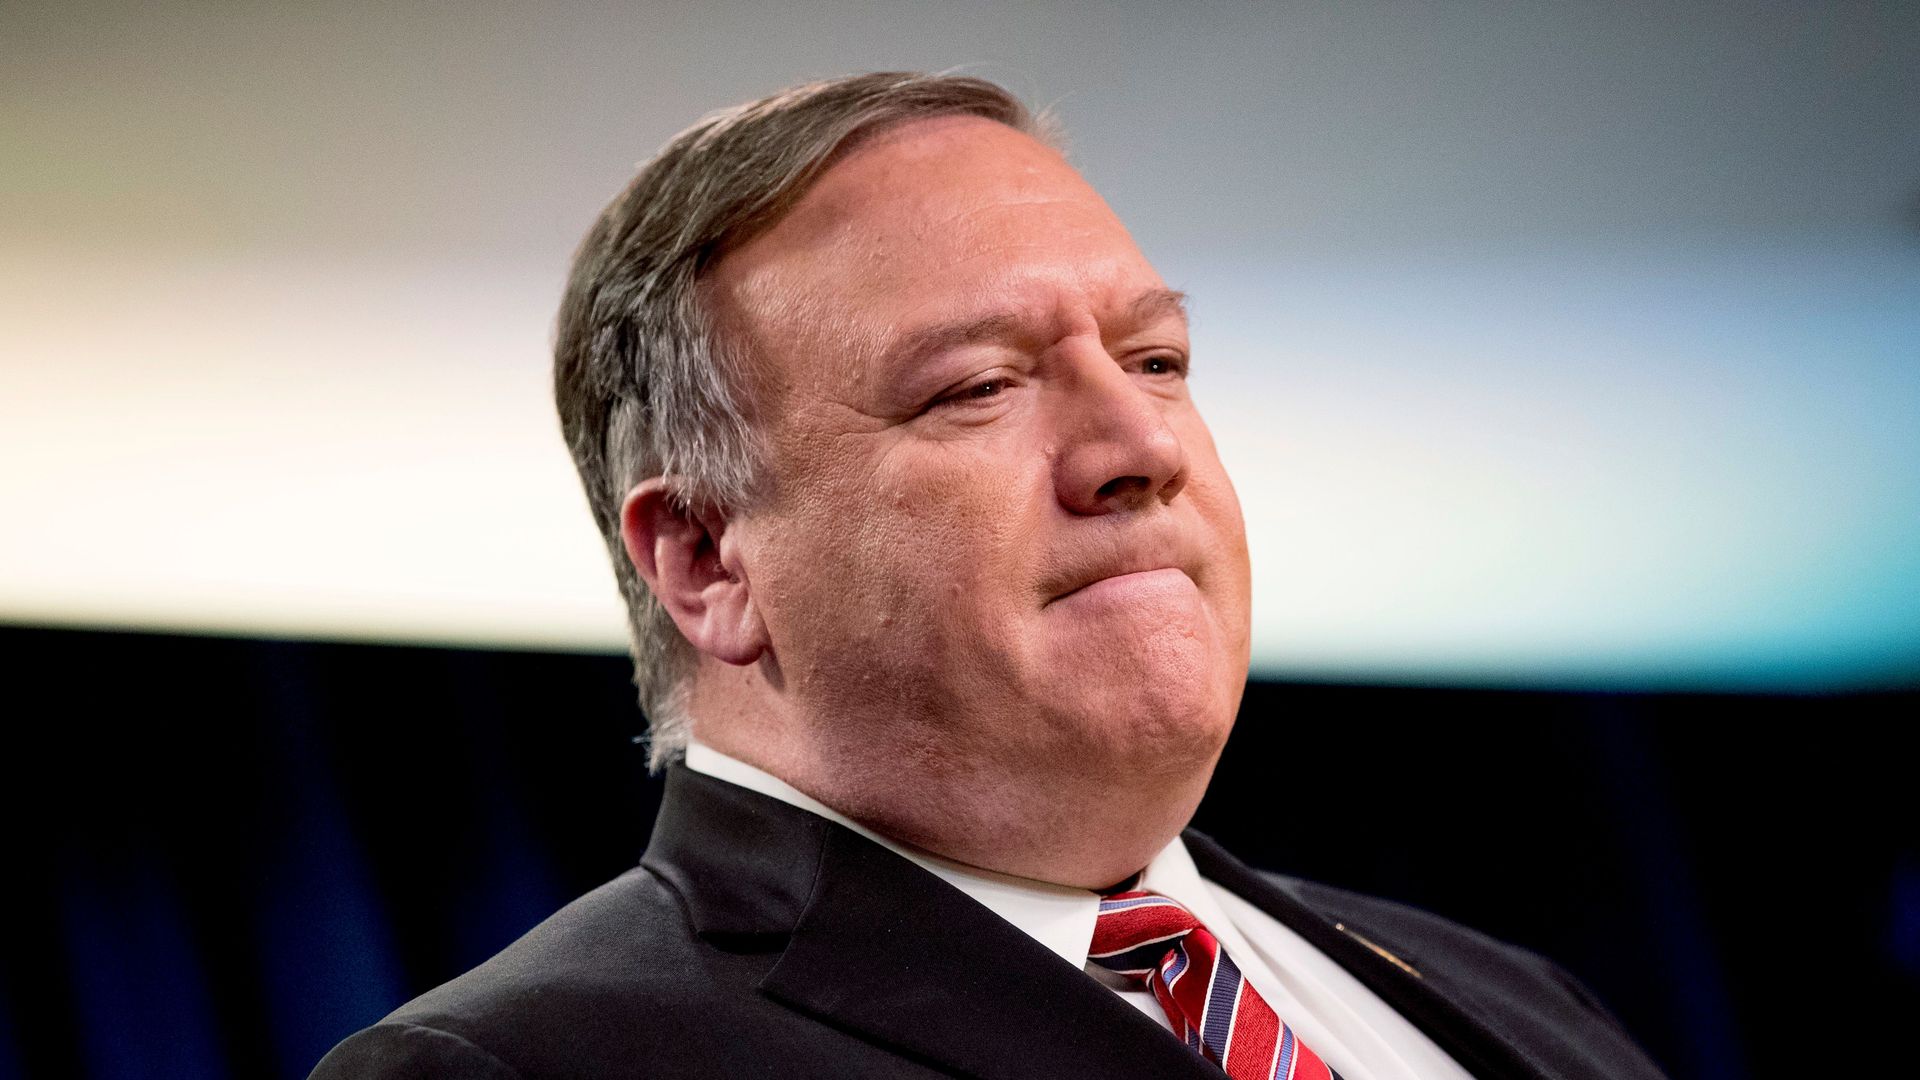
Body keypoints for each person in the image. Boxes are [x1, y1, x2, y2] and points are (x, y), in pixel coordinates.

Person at [311, 72, 1666, 1080]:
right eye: (976, 387)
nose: (1140, 448)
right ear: (709, 558)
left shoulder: (1517, 998)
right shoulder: (521, 1070)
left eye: (1154, 362)